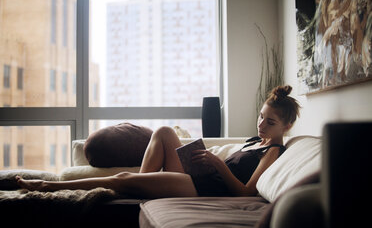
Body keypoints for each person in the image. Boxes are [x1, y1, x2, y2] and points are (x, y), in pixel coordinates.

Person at [16, 85, 300, 198]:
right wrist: (205, 159)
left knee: (122, 177)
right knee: (164, 131)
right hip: (199, 176)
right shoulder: (255, 140)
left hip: (203, 188)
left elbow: (245, 193)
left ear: (287, 126)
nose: (261, 124)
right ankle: (140, 182)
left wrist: (216, 163)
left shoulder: (274, 152)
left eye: (270, 122)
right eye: (261, 117)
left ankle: (47, 186)